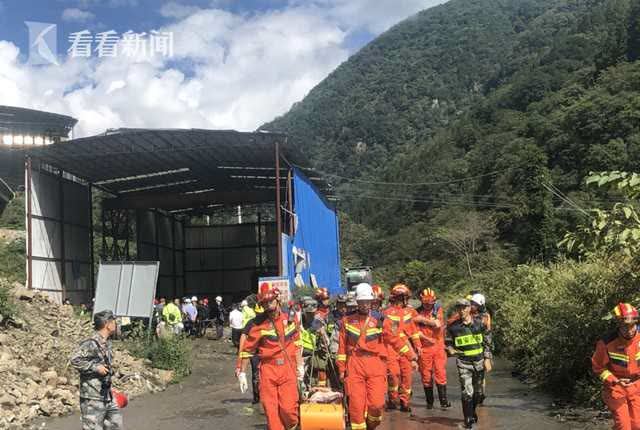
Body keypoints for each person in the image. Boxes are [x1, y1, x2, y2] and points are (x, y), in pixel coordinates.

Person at [337, 283, 418, 430]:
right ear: (357, 301)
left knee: (376, 404)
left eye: (368, 301)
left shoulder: (381, 320)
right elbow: (342, 349)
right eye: (362, 301)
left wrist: (411, 355)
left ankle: (371, 425)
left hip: (375, 364)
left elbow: (395, 339)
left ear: (372, 301)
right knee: (356, 404)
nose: (365, 305)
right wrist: (341, 370)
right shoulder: (346, 321)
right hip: (355, 364)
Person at [238, 283, 302, 430]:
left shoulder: (290, 319)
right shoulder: (258, 324)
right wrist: (242, 372)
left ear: (277, 299)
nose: (268, 305)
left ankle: (292, 426)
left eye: (270, 301)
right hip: (268, 370)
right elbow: (247, 350)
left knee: (288, 410)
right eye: (265, 303)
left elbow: (296, 343)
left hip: (288, 368)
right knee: (271, 410)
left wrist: (300, 366)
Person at [70, 310, 123, 430]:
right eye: (113, 321)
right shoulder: (91, 343)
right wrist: (95, 367)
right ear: (107, 324)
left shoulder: (107, 343)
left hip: (106, 395)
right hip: (92, 397)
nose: (116, 324)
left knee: (115, 425)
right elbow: (74, 360)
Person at [592, 303, 640, 430]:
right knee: (623, 426)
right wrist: (615, 381)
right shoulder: (606, 342)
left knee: (637, 425)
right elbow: (598, 368)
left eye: (632, 326)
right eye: (625, 326)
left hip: (637, 387)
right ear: (618, 324)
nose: (630, 330)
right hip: (616, 389)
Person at [446, 298, 492, 429]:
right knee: (467, 392)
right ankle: (468, 420)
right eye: (459, 308)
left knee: (478, 393)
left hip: (479, 362)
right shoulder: (453, 327)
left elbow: (488, 342)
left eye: (463, 308)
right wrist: (450, 349)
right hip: (463, 363)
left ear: (469, 309)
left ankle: (472, 412)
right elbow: (448, 342)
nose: (461, 310)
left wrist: (487, 359)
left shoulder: (480, 324)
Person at [384, 283, 422, 412]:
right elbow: (390, 333)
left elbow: (413, 330)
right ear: (399, 297)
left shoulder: (408, 311)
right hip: (391, 347)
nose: (406, 300)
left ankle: (405, 402)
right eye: (405, 297)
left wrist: (417, 345)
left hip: (405, 345)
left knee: (407, 376)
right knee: (393, 375)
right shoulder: (387, 312)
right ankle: (392, 400)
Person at [415, 288, 450, 409]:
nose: (428, 304)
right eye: (425, 301)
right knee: (426, 375)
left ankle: (443, 402)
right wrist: (426, 336)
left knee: (440, 372)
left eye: (430, 301)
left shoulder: (438, 309)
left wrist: (423, 321)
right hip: (424, 348)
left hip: (438, 346)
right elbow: (415, 332)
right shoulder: (416, 312)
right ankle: (429, 402)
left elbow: (438, 324)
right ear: (421, 300)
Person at [469, 293, 492, 405]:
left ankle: (480, 394)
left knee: (480, 374)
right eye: (471, 303)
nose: (471, 305)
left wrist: (487, 356)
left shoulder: (485, 317)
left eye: (474, 304)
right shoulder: (468, 314)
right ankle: (476, 394)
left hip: (481, 349)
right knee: (472, 374)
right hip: (470, 349)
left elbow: (488, 337)